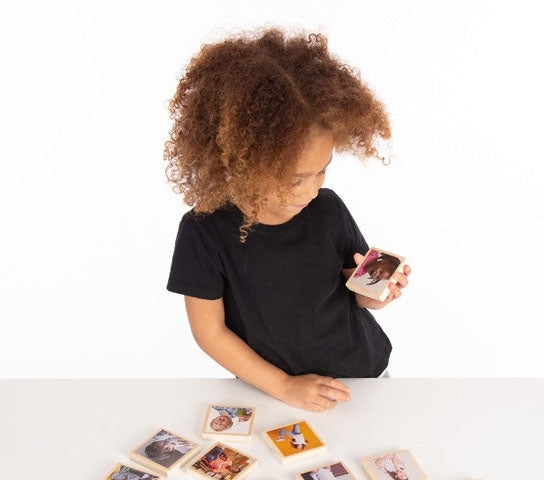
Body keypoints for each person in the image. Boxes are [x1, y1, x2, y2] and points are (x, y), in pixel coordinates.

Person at [165, 28, 410, 412]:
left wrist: (372, 293)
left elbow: (353, 285)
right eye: (295, 178)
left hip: (364, 377)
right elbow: (210, 332)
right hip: (270, 391)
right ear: (242, 163)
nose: (310, 191)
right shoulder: (204, 231)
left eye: (322, 171)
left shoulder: (327, 208)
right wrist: (284, 386)